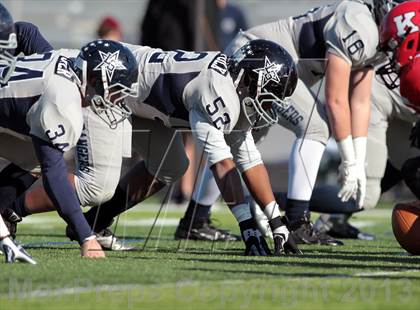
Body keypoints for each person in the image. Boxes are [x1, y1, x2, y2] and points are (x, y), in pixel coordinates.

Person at [175, 0, 404, 245]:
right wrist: (348, 159)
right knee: (315, 127)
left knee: (238, 142)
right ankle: (296, 221)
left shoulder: (380, 35)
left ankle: (195, 220)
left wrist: (358, 161)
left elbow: (360, 102)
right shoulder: (359, 23)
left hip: (279, 65)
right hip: (263, 59)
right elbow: (336, 99)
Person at [0, 36, 139, 258]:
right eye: (114, 90)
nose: (115, 100)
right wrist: (86, 236)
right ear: (94, 79)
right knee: (43, 158)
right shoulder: (63, 102)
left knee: (32, 155)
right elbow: (54, 175)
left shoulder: (66, 58)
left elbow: (26, 31)